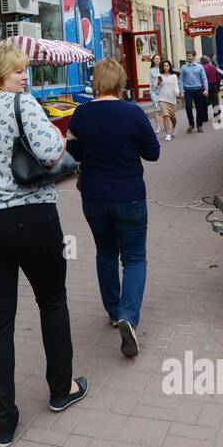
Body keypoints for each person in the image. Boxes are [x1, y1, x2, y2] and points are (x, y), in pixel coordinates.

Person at [0, 41, 87, 447]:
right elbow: (50, 152)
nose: (24, 77)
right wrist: (57, 137)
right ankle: (61, 387)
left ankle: (4, 420)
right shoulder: (23, 104)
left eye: (25, 70)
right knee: (52, 301)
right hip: (30, 217)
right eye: (18, 71)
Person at [66, 59, 159, 360]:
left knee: (105, 252)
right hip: (129, 194)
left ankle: (113, 311)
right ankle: (128, 317)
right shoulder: (133, 113)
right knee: (134, 257)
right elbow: (153, 153)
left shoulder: (80, 114)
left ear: (96, 82)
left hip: (93, 196)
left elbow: (73, 153)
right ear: (121, 82)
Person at [179, 54, 209, 133]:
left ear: (194, 57)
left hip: (198, 90)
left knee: (199, 108)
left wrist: (206, 89)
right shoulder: (184, 67)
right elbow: (181, 80)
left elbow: (204, 78)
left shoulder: (199, 67)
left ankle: (199, 125)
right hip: (188, 90)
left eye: (190, 56)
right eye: (187, 56)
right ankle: (191, 124)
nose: (188, 57)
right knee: (188, 107)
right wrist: (181, 91)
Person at [152, 59, 181, 141]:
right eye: (164, 65)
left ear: (170, 67)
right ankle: (168, 134)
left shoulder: (174, 76)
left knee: (173, 118)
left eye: (167, 65)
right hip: (162, 98)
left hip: (171, 99)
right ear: (162, 67)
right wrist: (158, 84)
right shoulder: (159, 75)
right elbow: (156, 88)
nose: (166, 67)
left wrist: (177, 92)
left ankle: (174, 126)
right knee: (165, 116)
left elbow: (176, 86)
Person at [200, 55, 222, 124]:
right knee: (215, 103)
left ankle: (204, 118)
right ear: (208, 61)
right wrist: (218, 87)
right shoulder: (213, 67)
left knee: (204, 103)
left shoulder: (201, 68)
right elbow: (218, 78)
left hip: (204, 88)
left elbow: (200, 79)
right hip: (213, 86)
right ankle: (217, 118)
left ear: (201, 61)